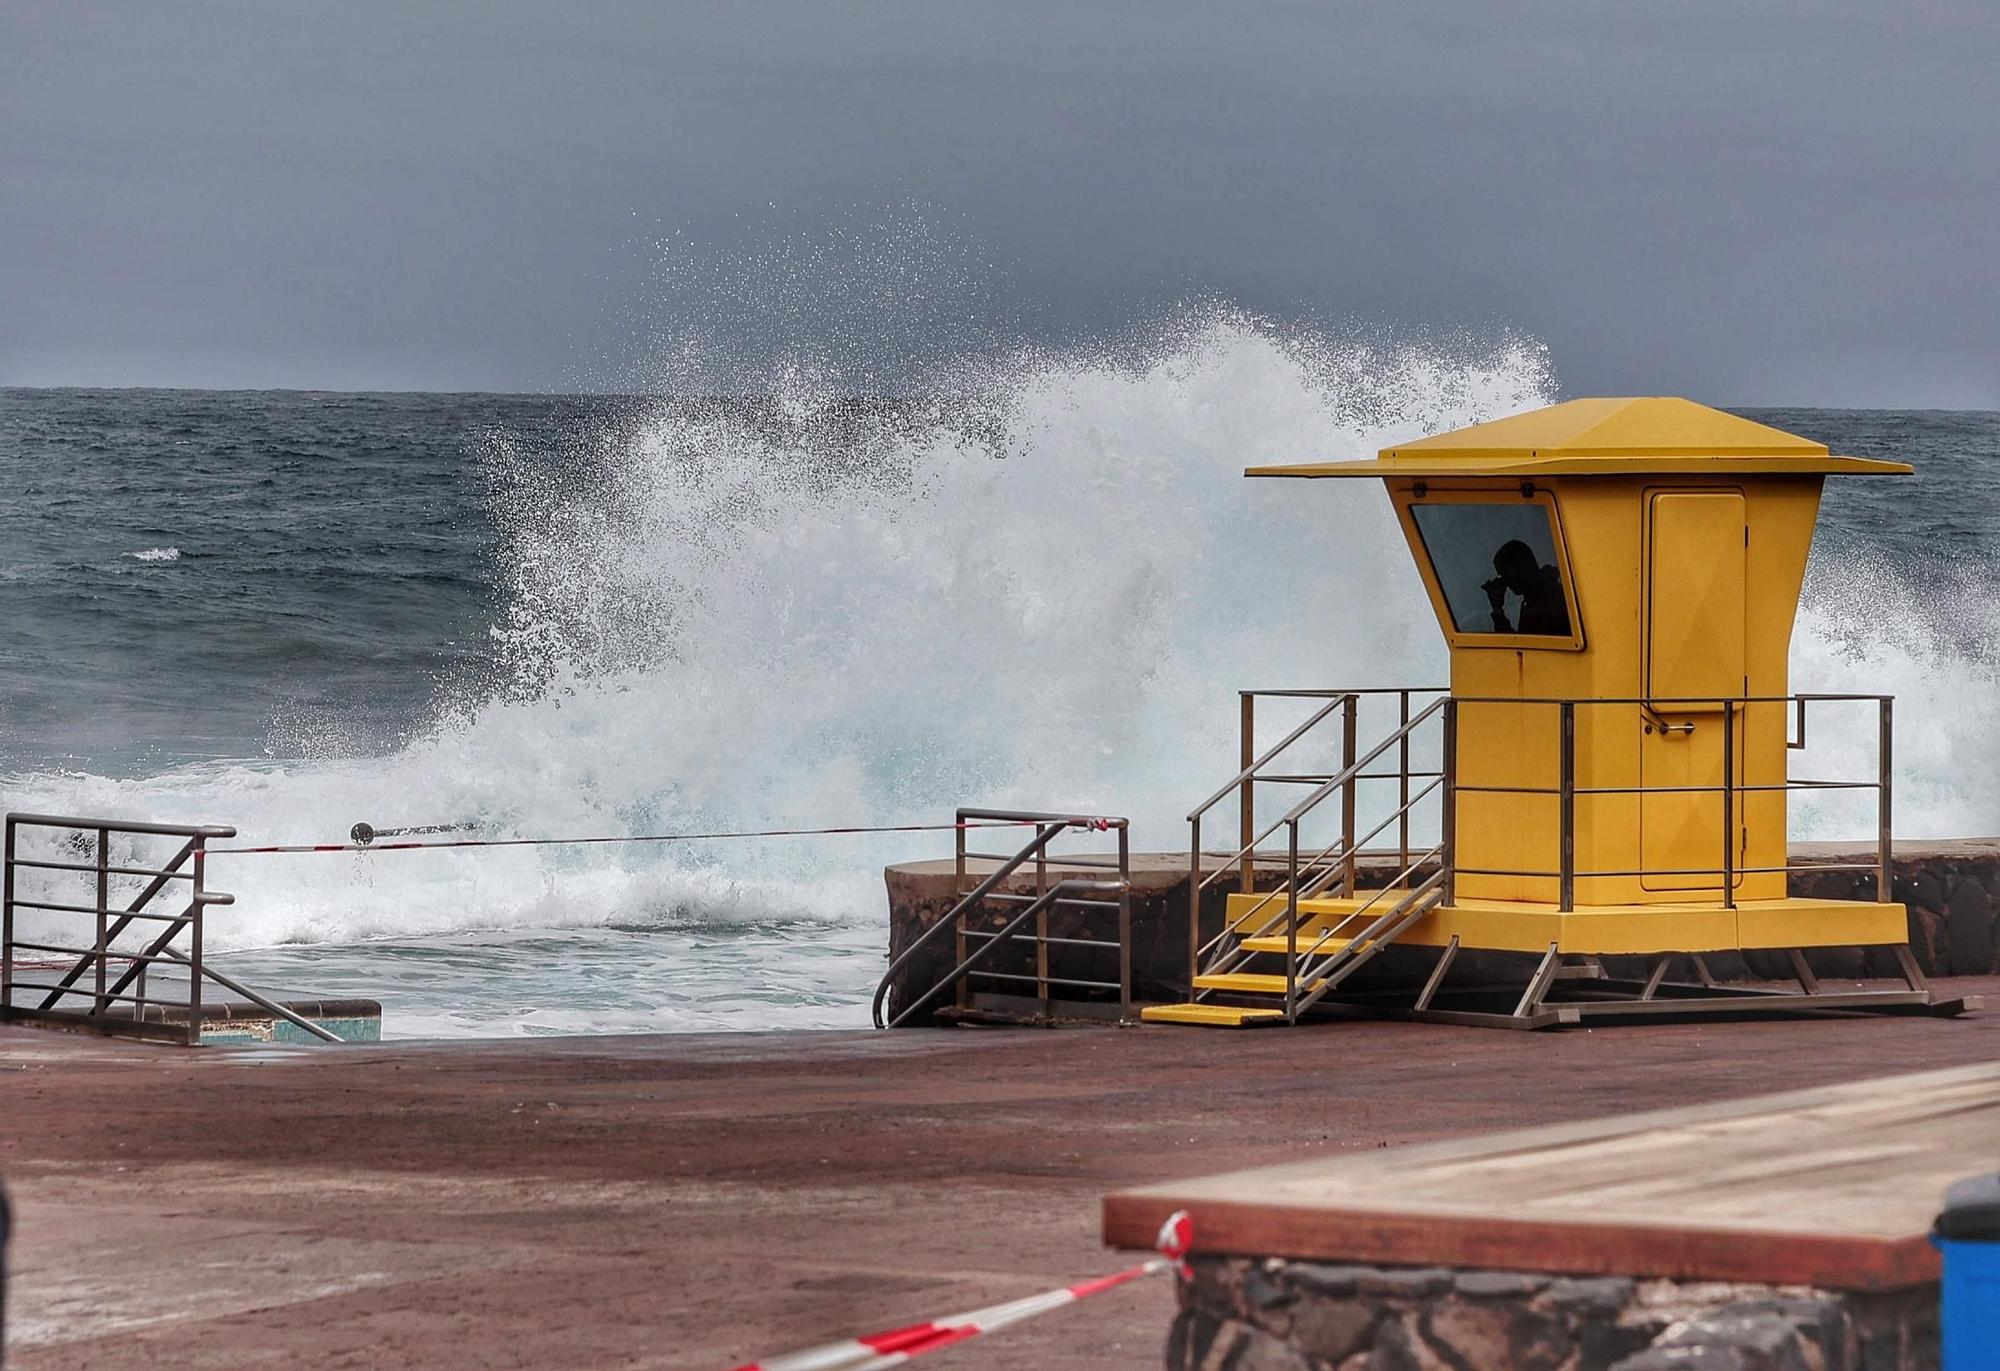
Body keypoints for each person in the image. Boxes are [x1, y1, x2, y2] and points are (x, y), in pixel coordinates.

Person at [1481, 539, 1570, 635]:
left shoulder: (1547, 603)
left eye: (1505, 572)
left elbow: (1518, 646)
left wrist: (1497, 611)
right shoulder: (1536, 599)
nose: (1505, 581)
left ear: (1521, 566)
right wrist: (1497, 608)